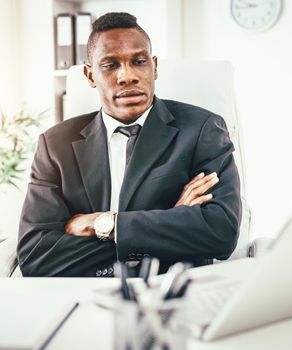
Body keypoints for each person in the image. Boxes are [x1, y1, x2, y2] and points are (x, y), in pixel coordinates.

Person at [18, 12, 241, 277]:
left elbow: (220, 232)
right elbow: (36, 255)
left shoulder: (201, 129)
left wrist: (104, 224)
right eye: (110, 65)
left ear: (154, 67)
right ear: (90, 76)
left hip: (170, 292)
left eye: (139, 61)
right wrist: (170, 223)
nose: (127, 76)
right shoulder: (55, 144)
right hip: (84, 292)